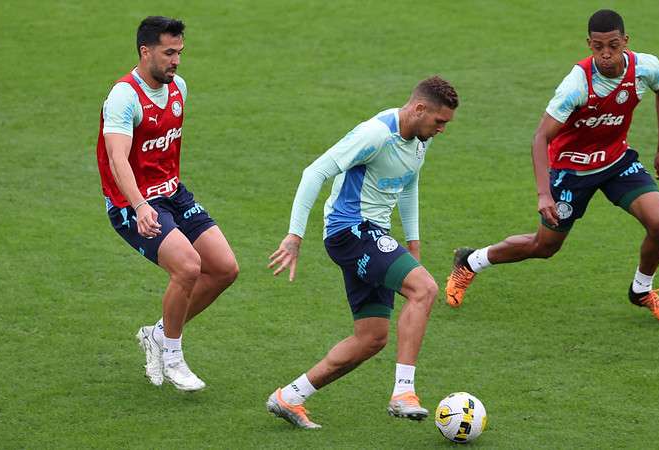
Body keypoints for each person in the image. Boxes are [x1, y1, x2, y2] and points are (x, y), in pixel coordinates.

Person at [445, 9, 659, 322]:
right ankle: (470, 261)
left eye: (613, 45)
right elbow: (540, 137)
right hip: (572, 171)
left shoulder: (646, 67)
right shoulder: (577, 85)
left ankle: (641, 290)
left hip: (615, 161)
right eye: (598, 47)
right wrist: (544, 194)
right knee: (544, 246)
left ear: (626, 41)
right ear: (589, 45)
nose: (606, 54)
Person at [266, 76, 458, 429]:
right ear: (419, 108)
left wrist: (413, 242)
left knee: (371, 338)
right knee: (426, 289)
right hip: (350, 231)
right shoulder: (375, 134)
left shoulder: (418, 138)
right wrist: (295, 234)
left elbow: (409, 182)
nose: (442, 129)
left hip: (373, 233)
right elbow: (315, 171)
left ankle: (290, 397)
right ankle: (403, 393)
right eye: (439, 121)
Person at [96, 16, 239, 391]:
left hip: (173, 193)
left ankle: (159, 333)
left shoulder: (179, 89)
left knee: (224, 269)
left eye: (179, 52)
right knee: (189, 267)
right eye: (169, 52)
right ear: (146, 52)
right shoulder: (124, 96)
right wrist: (141, 206)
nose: (176, 61)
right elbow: (117, 159)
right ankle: (173, 356)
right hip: (133, 203)